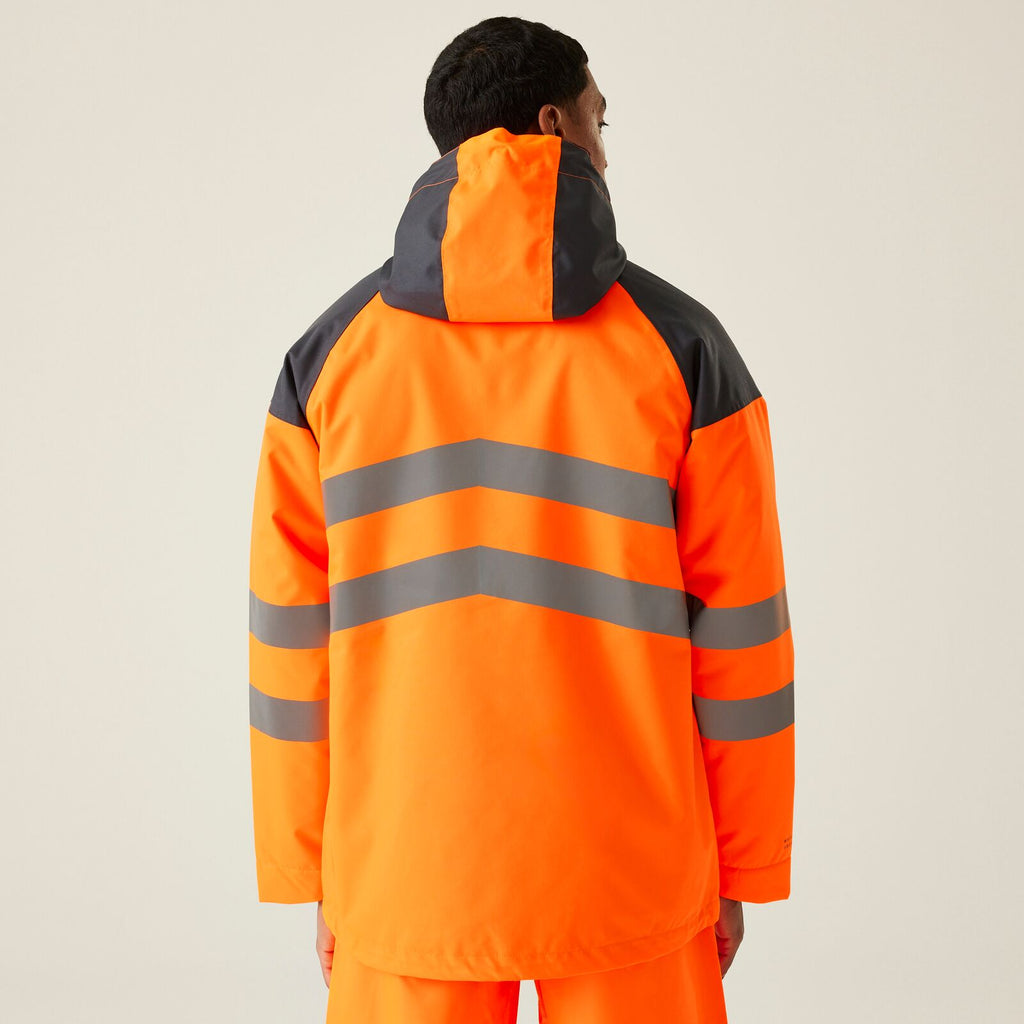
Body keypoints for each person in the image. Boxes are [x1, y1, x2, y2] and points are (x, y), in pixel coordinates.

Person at [247, 15, 795, 1023]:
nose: (605, 147)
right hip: (632, 863)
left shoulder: (330, 359)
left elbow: (291, 640)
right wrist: (741, 864)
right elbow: (743, 634)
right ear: (555, 124)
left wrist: (316, 866)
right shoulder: (683, 347)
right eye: (599, 120)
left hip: (407, 865)